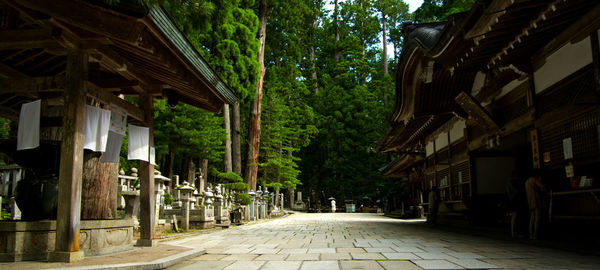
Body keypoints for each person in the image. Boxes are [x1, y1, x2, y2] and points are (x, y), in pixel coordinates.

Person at [525, 170, 547, 240]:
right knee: (537, 218)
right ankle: (535, 234)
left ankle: (531, 234)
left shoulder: (526, 182)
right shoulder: (534, 180)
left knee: (532, 218)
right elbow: (542, 187)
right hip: (537, 201)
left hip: (530, 201)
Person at [506, 172, 525, 238]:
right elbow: (514, 191)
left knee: (514, 217)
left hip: (512, 200)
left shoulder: (509, 182)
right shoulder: (511, 182)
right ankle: (514, 232)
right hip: (514, 200)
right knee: (515, 217)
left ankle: (513, 232)